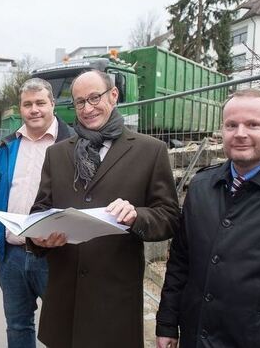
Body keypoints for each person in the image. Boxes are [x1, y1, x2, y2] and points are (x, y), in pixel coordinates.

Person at [156, 89, 260, 348]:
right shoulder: (202, 186)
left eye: (253, 125)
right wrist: (168, 323)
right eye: (231, 125)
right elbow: (181, 262)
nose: (240, 134)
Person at [28, 70, 180, 348]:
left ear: (113, 95)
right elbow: (40, 210)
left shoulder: (150, 151)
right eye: (79, 102)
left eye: (94, 98)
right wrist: (38, 237)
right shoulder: (58, 153)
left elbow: (169, 217)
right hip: (66, 300)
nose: (87, 108)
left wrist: (137, 215)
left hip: (114, 301)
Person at [0, 78, 74, 348]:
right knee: (17, 326)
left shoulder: (73, 143)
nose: (34, 110)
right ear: (20, 108)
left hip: (55, 257)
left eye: (40, 103)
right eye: (28, 104)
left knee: (62, 327)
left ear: (53, 104)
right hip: (12, 256)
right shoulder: (8, 146)